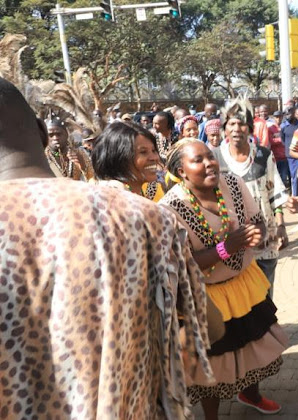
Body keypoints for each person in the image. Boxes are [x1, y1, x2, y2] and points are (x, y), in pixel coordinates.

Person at [0, 77, 212, 418]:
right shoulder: (142, 217)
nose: (153, 158)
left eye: (152, 150)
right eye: (142, 152)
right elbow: (207, 326)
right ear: (42, 133)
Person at [160, 139, 288, 418]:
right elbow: (182, 262)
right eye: (198, 160)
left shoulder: (232, 183)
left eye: (210, 156)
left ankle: (251, 394)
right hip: (208, 294)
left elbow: (256, 223)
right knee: (214, 360)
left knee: (254, 341)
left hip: (245, 282)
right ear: (181, 171)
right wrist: (225, 248)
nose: (209, 163)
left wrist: (257, 234)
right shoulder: (170, 207)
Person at [214, 98, 289, 297]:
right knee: (240, 299)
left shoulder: (264, 155)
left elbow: (274, 193)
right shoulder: (214, 158)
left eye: (242, 124)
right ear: (225, 129)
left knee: (265, 299)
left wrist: (281, 226)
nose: (237, 128)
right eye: (231, 124)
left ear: (249, 128)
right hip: (233, 243)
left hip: (265, 242)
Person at [90, 121, 167, 201]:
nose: (154, 158)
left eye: (154, 150)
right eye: (143, 152)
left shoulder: (148, 189)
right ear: (119, 158)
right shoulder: (111, 197)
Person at [281, 106, 298, 196]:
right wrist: (289, 148)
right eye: (287, 114)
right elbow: (283, 140)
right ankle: (295, 195)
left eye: (290, 113)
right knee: (294, 177)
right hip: (291, 156)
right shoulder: (284, 126)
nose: (288, 116)